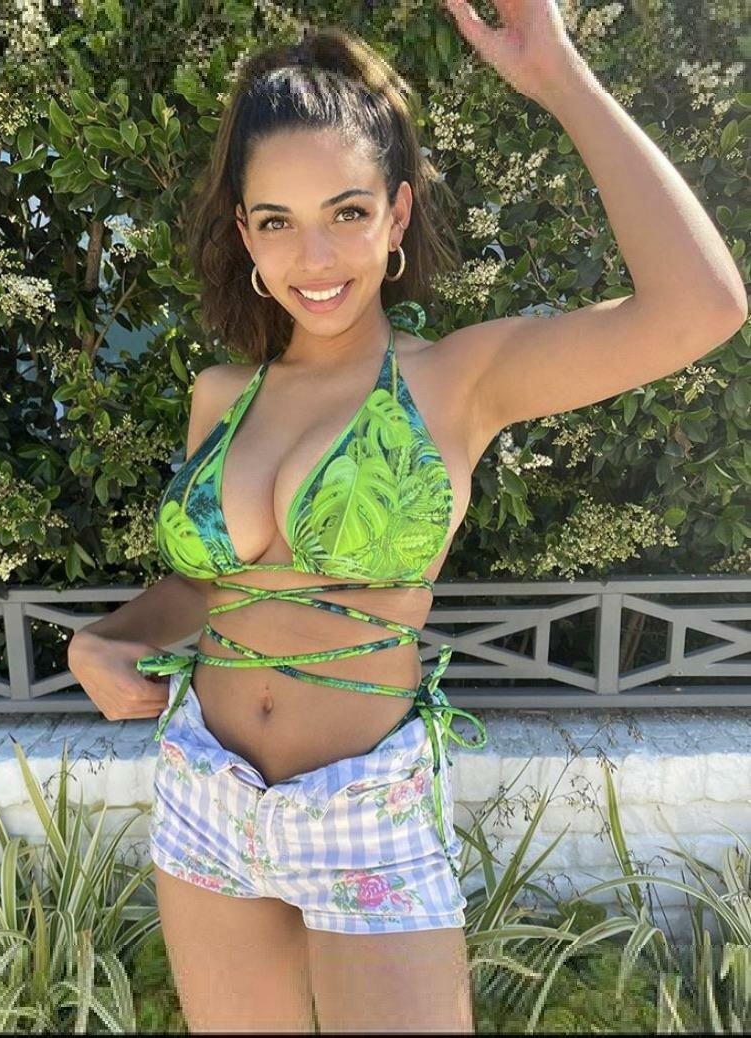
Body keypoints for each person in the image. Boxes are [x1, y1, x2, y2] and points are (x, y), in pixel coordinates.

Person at [68, 6, 747, 1033]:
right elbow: (206, 585)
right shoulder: (223, 395)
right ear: (246, 235)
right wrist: (110, 637)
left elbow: (701, 307)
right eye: (277, 221)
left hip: (365, 811)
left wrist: (560, 78)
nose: (314, 256)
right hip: (205, 790)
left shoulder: (458, 381)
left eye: (345, 212)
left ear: (396, 215)